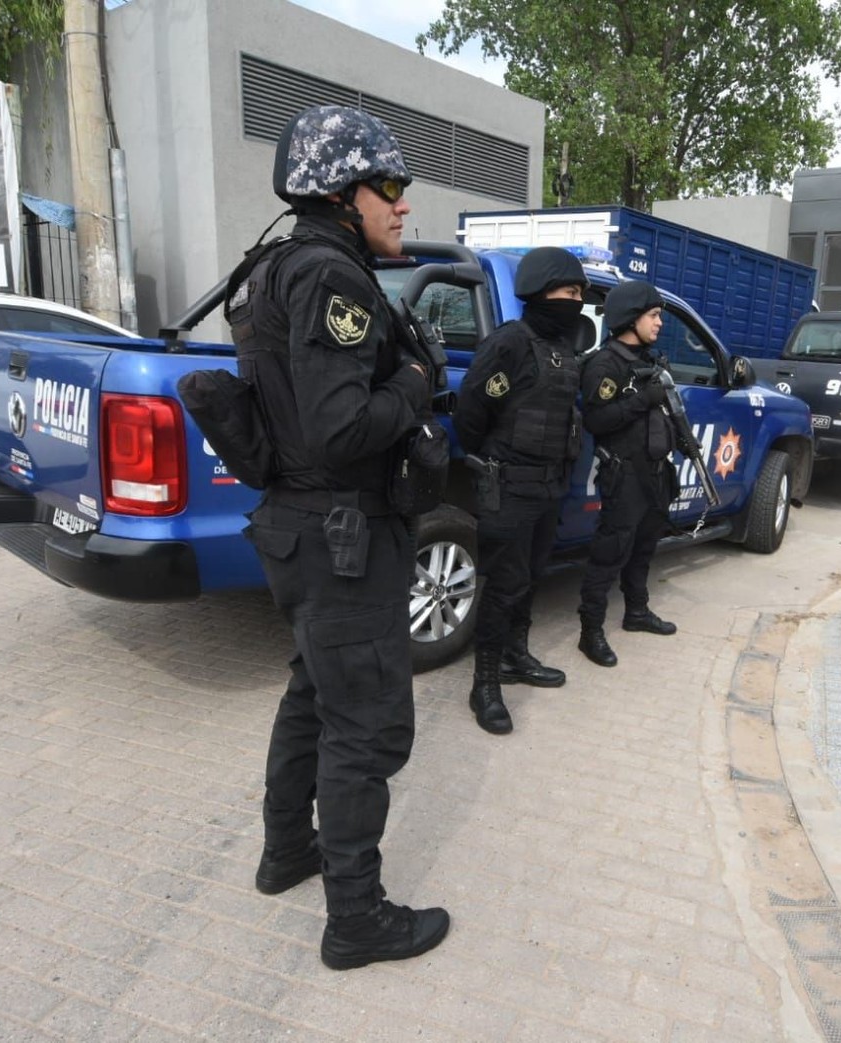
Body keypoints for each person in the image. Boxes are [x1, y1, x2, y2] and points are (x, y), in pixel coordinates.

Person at [226, 104, 447, 970]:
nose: (402, 206)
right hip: (342, 532)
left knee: (312, 695)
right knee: (366, 725)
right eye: (387, 188)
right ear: (340, 191)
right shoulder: (331, 277)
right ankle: (357, 918)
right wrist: (419, 385)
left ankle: (288, 853)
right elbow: (338, 427)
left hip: (303, 529)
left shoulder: (278, 265)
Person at [453, 246, 588, 734]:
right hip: (509, 488)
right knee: (503, 585)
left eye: (579, 294)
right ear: (540, 290)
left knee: (530, 577)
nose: (576, 301)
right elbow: (471, 413)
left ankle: (516, 656)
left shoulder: (564, 349)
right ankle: (484, 684)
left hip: (549, 488)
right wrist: (497, 461)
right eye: (569, 292)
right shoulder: (510, 343)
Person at [575, 279, 680, 668]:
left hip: (653, 471)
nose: (659, 323)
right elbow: (597, 420)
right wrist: (642, 399)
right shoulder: (607, 364)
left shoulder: (649, 361)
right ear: (629, 318)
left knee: (644, 547)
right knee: (610, 552)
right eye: (653, 316)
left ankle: (636, 611)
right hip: (624, 474)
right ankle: (591, 631)